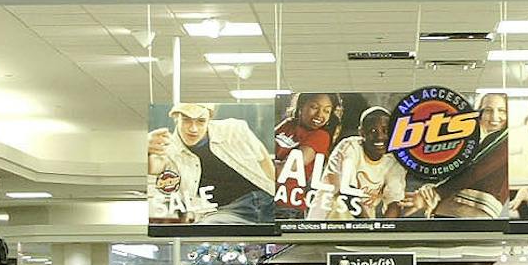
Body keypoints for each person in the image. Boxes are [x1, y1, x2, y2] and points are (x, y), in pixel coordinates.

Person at [147, 103, 277, 225]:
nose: (193, 129)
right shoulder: (169, 148)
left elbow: (263, 159)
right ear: (176, 118)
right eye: (186, 120)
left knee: (292, 228)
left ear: (210, 118)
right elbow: (153, 166)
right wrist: (145, 149)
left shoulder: (233, 129)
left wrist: (279, 191)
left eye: (201, 121)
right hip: (229, 213)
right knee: (205, 229)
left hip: (267, 199)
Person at [309, 107, 439, 221]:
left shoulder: (393, 160)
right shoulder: (350, 146)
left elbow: (394, 202)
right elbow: (347, 192)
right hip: (326, 219)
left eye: (385, 131)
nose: (380, 137)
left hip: (360, 227)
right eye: (372, 131)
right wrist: (369, 226)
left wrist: (384, 231)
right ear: (362, 133)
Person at [272, 92, 340, 216]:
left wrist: (265, 163)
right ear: (301, 106)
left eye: (326, 111)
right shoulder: (289, 124)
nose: (320, 115)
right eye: (314, 107)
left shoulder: (321, 136)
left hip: (286, 207)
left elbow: (283, 171)